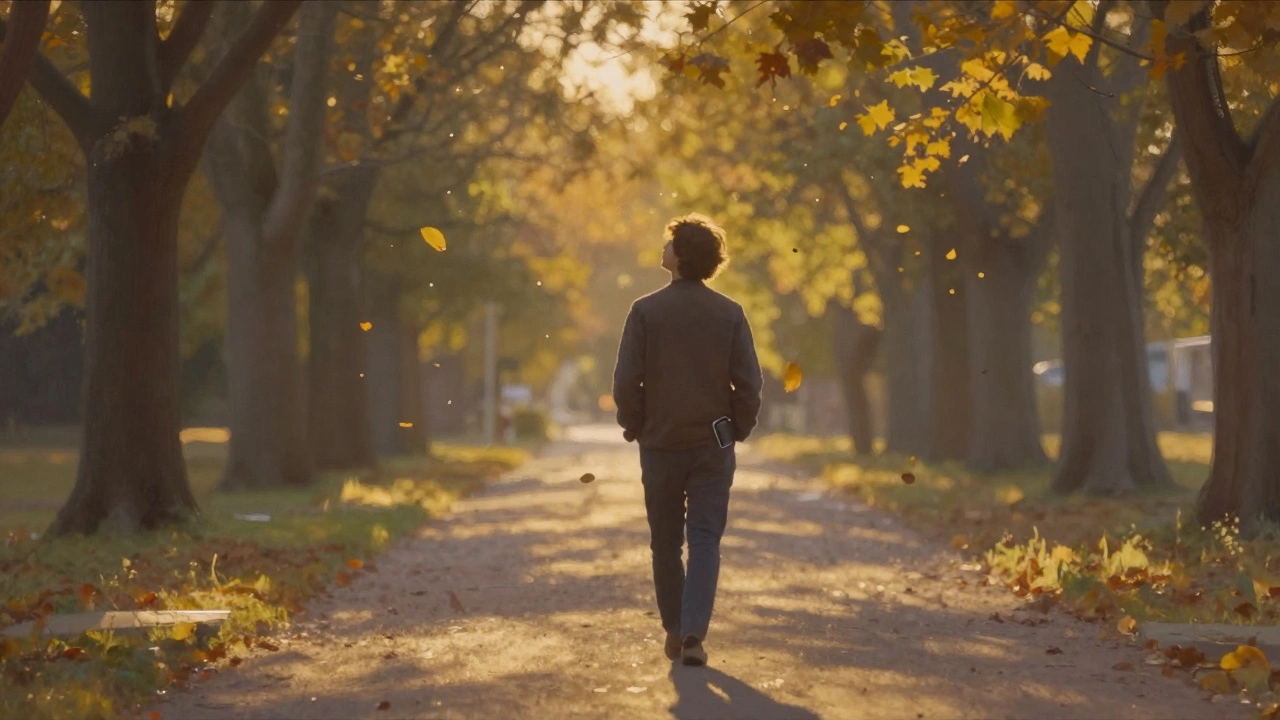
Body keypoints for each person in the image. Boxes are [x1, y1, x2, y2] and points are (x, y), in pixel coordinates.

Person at [611, 213, 763, 666]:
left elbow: (626, 381)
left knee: (664, 543)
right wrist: (737, 428)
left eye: (668, 243)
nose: (663, 249)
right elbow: (749, 384)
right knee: (704, 540)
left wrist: (634, 423)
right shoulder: (729, 313)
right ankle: (695, 630)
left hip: (660, 445)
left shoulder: (645, 310)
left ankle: (676, 630)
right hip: (712, 446)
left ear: (680, 255)